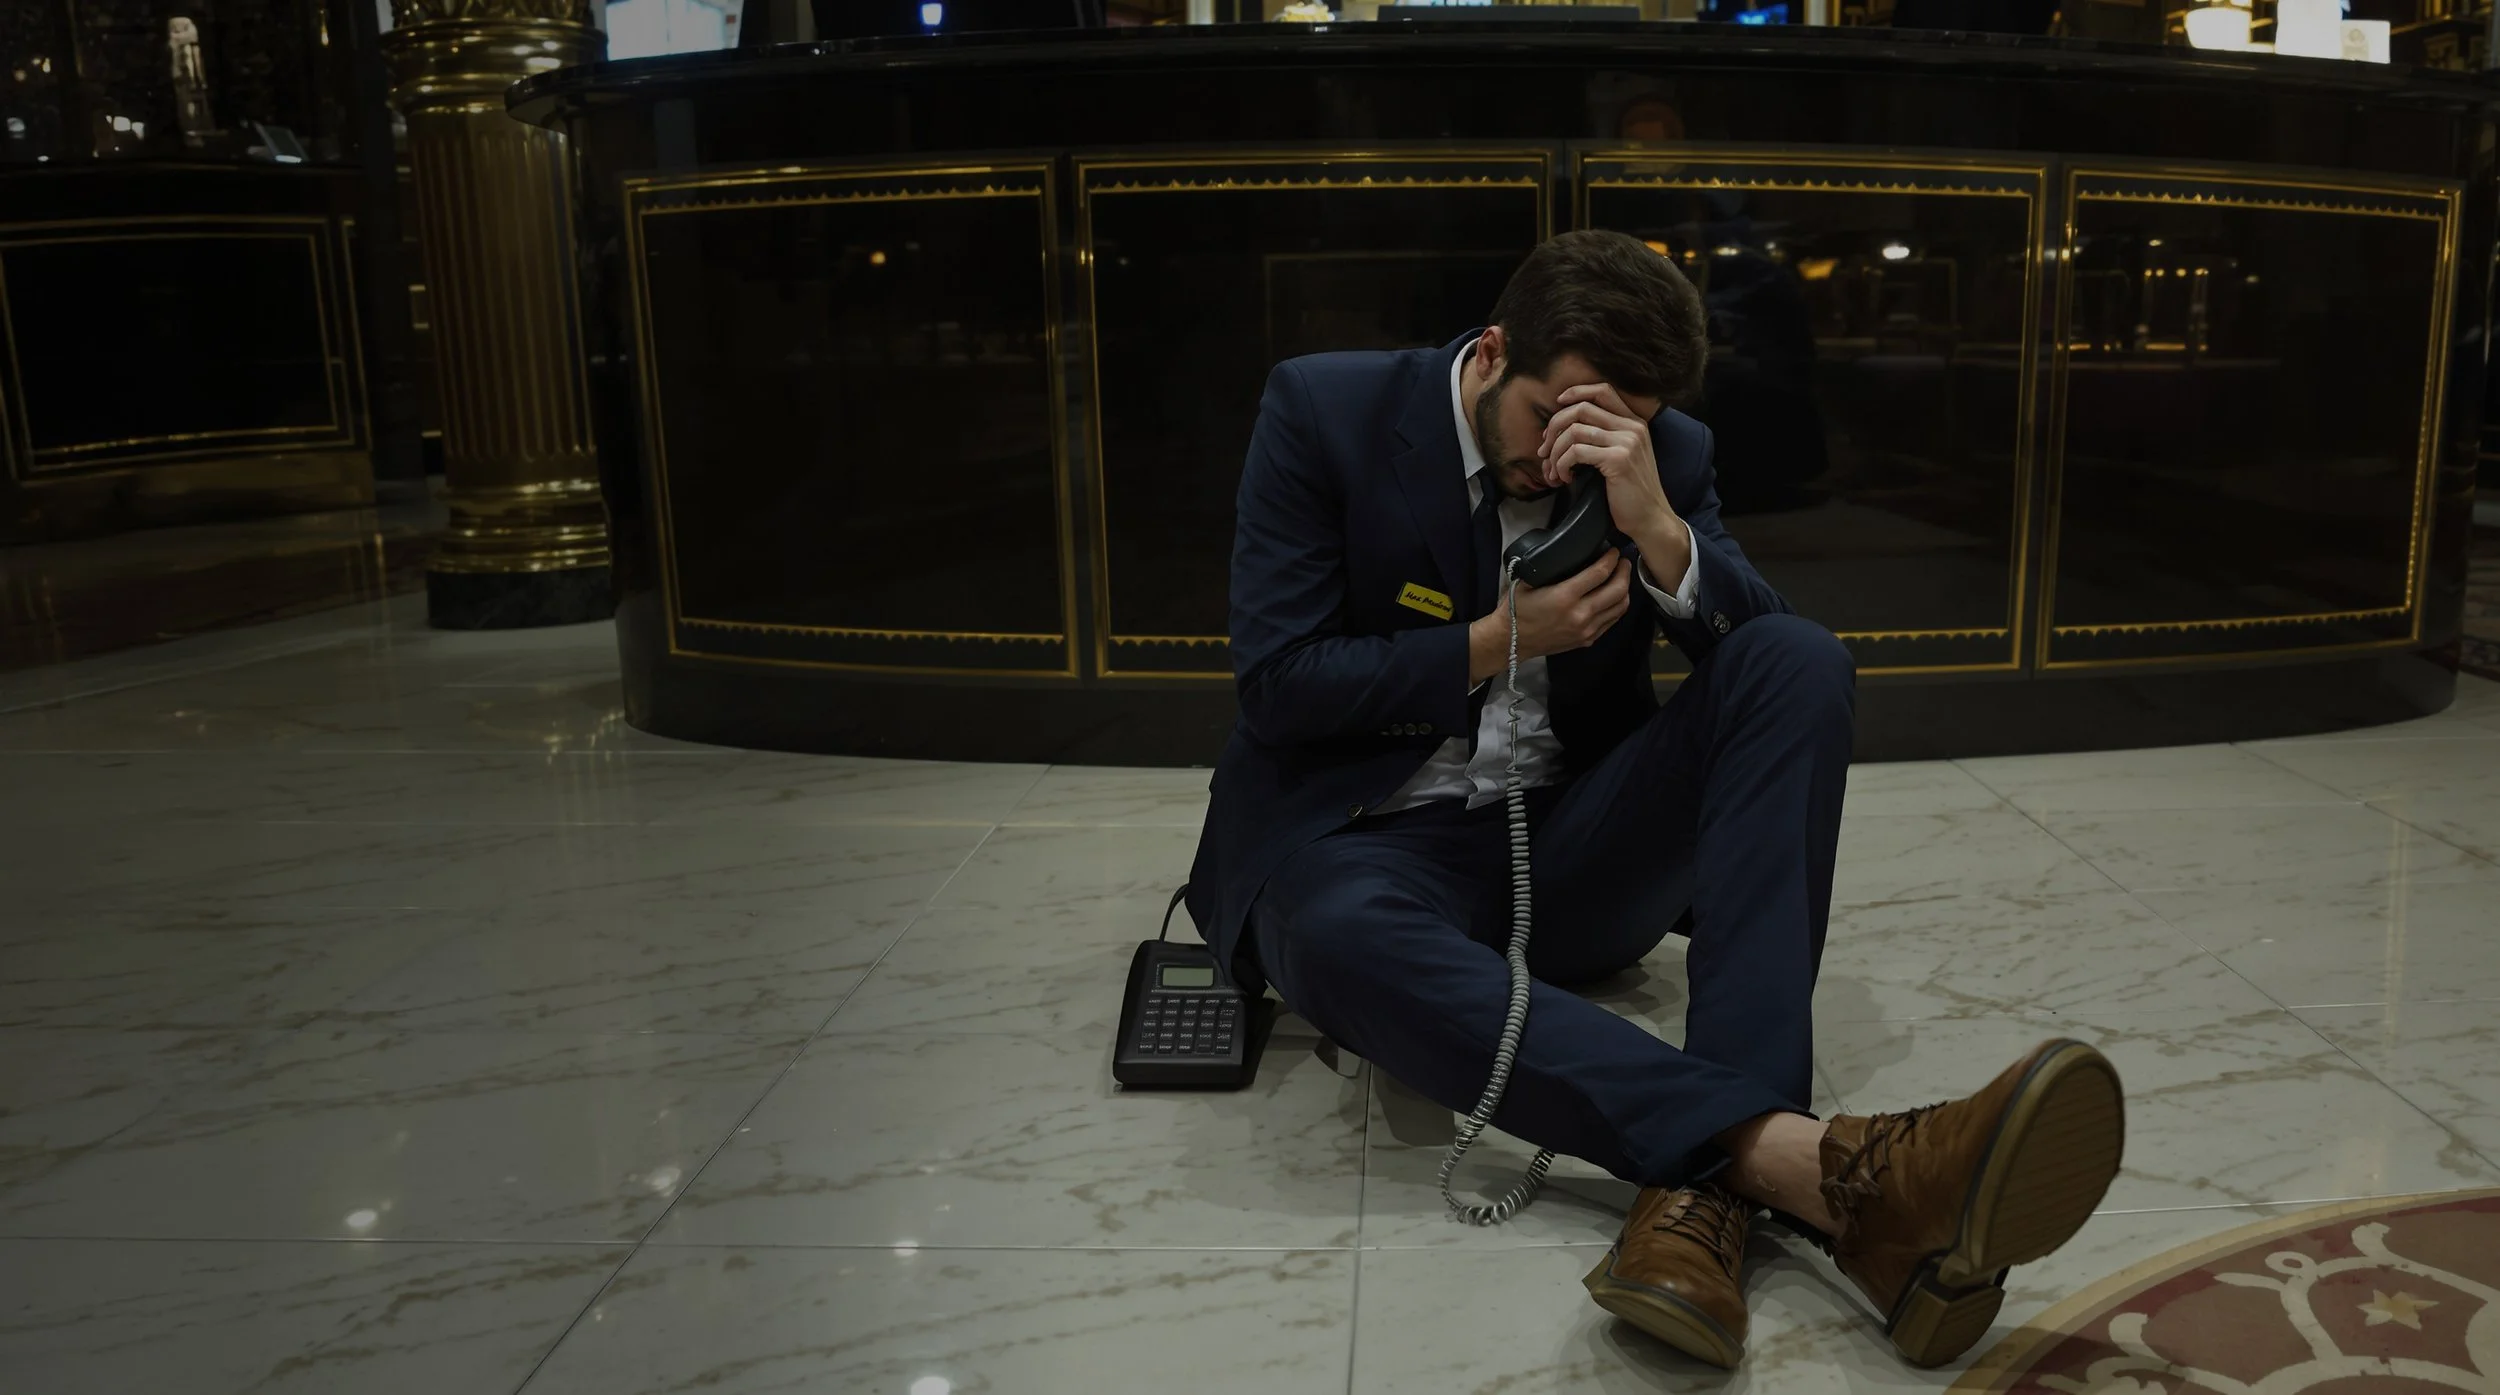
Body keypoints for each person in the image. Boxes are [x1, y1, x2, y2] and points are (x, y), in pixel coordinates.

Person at [1182, 230, 2125, 1369]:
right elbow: (1278, 686)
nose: (1558, 459)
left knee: (1800, 660)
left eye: (1607, 428)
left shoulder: (1666, 451)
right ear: (1493, 354)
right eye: (1549, 417)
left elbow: (1759, 651)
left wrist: (1662, 532)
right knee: (1334, 933)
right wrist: (1494, 641)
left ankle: (1723, 1181)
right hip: (1360, 848)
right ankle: (1815, 1177)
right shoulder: (1326, 410)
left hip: (1568, 849)